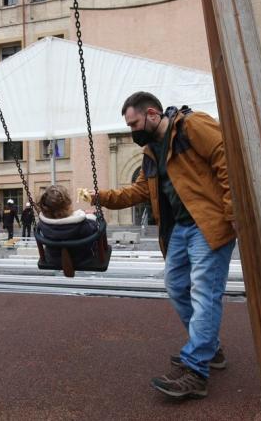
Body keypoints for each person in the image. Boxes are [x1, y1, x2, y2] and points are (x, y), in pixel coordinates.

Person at [91, 92, 236, 399]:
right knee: (176, 286)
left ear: (153, 114)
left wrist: (233, 211)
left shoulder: (192, 125)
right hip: (180, 230)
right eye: (129, 126)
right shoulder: (151, 153)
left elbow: (227, 158)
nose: (132, 131)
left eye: (134, 123)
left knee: (203, 290)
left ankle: (196, 369)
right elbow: (140, 191)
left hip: (207, 222)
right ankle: (211, 349)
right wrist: (100, 197)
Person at [36, 185, 99, 268]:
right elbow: (94, 228)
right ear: (68, 206)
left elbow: (64, 223)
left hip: (52, 259)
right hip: (82, 259)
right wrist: (91, 216)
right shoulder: (81, 225)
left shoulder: (43, 225)